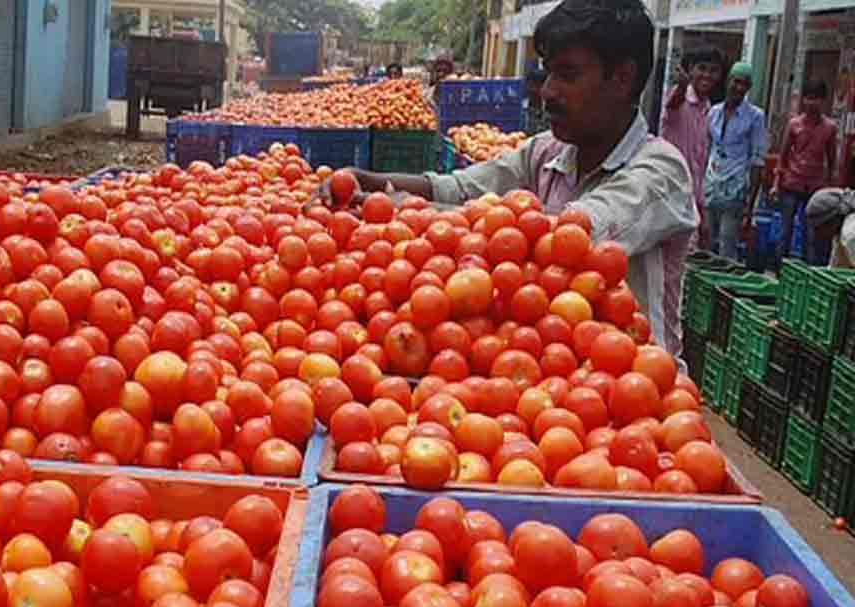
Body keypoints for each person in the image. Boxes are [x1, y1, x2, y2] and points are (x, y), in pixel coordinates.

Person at [320, 0, 697, 355]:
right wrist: (369, 180)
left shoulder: (661, 172)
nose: (547, 91)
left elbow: (569, 239)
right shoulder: (546, 152)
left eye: (567, 75)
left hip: (638, 393)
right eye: (548, 72)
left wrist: (408, 211)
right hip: (554, 373)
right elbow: (460, 188)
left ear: (622, 78)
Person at [661, 45, 724, 249]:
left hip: (691, 202)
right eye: (702, 68)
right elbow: (673, 103)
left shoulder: (708, 109)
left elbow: (700, 165)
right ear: (691, 70)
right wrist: (681, 86)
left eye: (713, 70)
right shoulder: (680, 99)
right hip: (668, 197)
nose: (707, 75)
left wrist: (702, 211)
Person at [704, 62, 768, 261]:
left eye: (745, 84)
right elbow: (706, 148)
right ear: (728, 81)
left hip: (735, 190)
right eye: (736, 82)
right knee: (705, 243)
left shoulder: (755, 117)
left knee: (726, 246)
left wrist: (750, 205)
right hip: (710, 186)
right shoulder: (713, 112)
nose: (739, 88)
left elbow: (758, 160)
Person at [773, 81, 839, 265]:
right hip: (791, 183)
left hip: (815, 187)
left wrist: (829, 187)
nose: (812, 103)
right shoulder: (794, 124)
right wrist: (776, 184)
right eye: (809, 98)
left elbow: (832, 159)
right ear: (803, 100)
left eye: (816, 98)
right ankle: (780, 270)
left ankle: (807, 271)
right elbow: (783, 156)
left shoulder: (830, 128)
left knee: (811, 234)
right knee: (785, 231)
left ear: (823, 101)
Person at [805, 188, 855, 268]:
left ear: (830, 221)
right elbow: (836, 265)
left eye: (818, 228)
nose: (818, 234)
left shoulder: (850, 234)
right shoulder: (839, 232)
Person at [524, 66, 551, 135]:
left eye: (536, 86)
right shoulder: (524, 105)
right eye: (530, 85)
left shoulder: (550, 110)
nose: (532, 89)